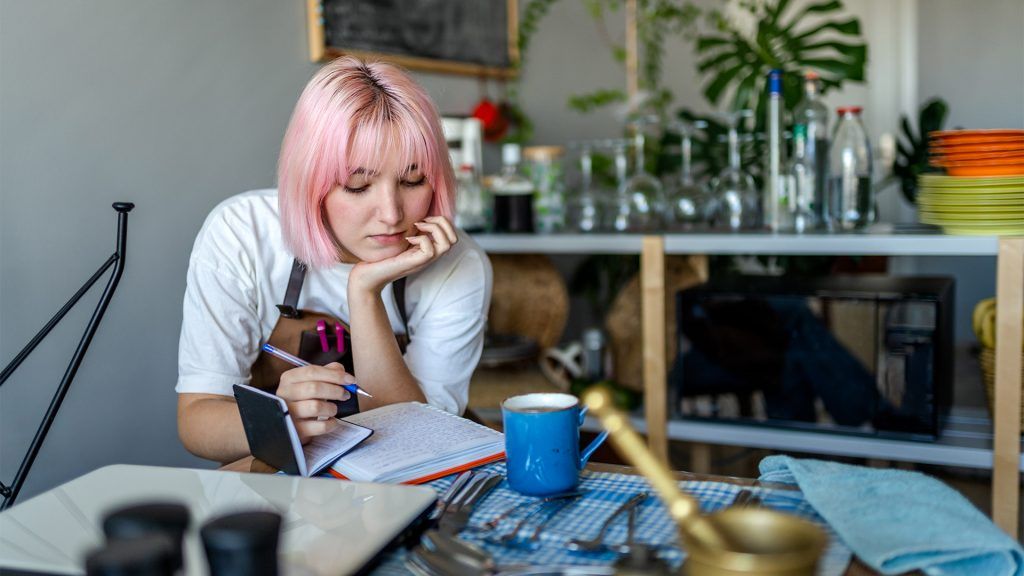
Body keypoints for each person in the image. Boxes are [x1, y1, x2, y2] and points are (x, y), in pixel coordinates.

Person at [176, 57, 493, 464]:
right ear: (311, 183)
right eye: (357, 185)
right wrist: (280, 421)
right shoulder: (242, 233)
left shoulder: (459, 265)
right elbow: (197, 418)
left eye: (413, 181)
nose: (392, 213)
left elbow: (415, 440)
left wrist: (365, 292)